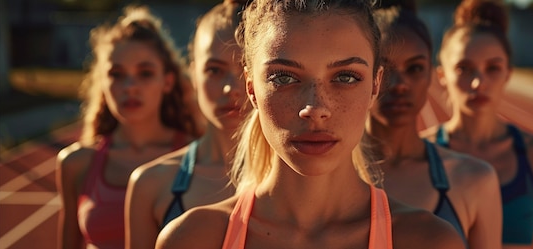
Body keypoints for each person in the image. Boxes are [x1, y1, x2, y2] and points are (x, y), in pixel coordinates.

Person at [156, 0, 465, 248]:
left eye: (345, 77)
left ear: (374, 85)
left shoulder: (430, 241)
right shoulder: (190, 239)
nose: (315, 108)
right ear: (251, 89)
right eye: (284, 77)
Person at [421, 0, 533, 248]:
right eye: (464, 68)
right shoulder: (421, 154)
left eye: (493, 68)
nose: (479, 82)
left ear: (508, 74)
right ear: (442, 75)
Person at [55, 5, 200, 249]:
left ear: (167, 81)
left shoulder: (198, 159)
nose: (130, 86)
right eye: (117, 74)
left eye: (145, 73)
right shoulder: (76, 163)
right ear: (103, 81)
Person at [368, 6, 502, 249]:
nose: (400, 85)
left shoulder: (474, 180)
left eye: (415, 68)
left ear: (430, 75)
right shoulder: (321, 175)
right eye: (385, 69)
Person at [124, 2, 247, 249]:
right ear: (193, 73)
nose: (230, 88)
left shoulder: (302, 182)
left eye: (245, 69)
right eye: (214, 70)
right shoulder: (150, 184)